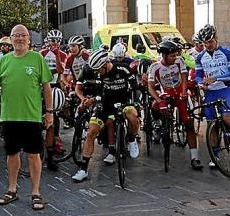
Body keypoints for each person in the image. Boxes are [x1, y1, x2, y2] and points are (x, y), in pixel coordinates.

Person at [0, 24, 54, 211]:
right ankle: (12, 189)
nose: (20, 38)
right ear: (11, 39)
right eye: (16, 36)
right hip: (9, 116)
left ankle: (36, 192)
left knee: (33, 155)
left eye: (23, 35)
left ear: (29, 39)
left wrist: (49, 112)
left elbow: (46, 87)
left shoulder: (37, 58)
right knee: (12, 154)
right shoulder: (4, 60)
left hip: (31, 116)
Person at [72, 48, 141, 182]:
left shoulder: (124, 69)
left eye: (99, 69)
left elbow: (135, 88)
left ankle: (131, 138)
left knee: (133, 116)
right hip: (105, 104)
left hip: (124, 101)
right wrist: (92, 100)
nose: (97, 73)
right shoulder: (98, 74)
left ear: (105, 64)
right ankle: (83, 169)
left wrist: (136, 102)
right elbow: (99, 92)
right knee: (92, 132)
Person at [194, 24, 230, 166]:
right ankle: (215, 154)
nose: (208, 45)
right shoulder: (200, 57)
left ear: (216, 38)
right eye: (205, 43)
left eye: (210, 42)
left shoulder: (228, 52)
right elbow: (198, 76)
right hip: (210, 92)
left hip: (225, 89)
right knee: (212, 125)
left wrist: (215, 78)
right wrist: (201, 83)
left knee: (228, 119)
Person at [147, 41, 203, 170]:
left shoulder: (179, 61)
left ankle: (195, 157)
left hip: (179, 94)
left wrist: (184, 92)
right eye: (171, 56)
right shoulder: (155, 67)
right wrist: (159, 100)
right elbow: (150, 88)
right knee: (155, 106)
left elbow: (184, 77)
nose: (174, 57)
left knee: (188, 123)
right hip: (166, 94)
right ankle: (157, 124)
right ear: (164, 55)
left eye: (175, 55)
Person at [40, 30, 67, 171]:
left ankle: (51, 154)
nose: (55, 43)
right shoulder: (42, 53)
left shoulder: (62, 54)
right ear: (48, 41)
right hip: (40, 86)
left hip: (55, 86)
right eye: (52, 40)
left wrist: (57, 55)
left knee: (53, 118)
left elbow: (60, 69)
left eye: (57, 40)